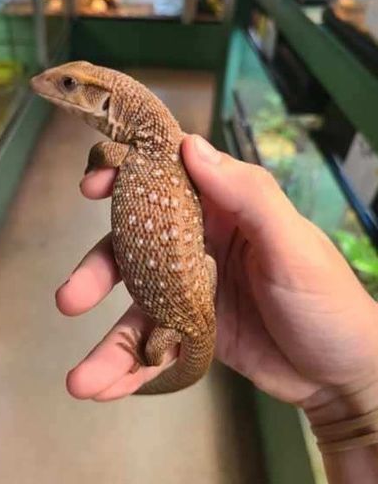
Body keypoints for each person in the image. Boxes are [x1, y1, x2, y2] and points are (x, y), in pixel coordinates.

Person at [56, 134, 378, 483]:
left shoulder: (137, 148)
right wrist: (362, 390)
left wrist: (362, 387)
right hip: (201, 290)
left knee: (153, 346)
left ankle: (145, 363)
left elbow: (103, 151)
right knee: (204, 268)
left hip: (186, 314)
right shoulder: (152, 147)